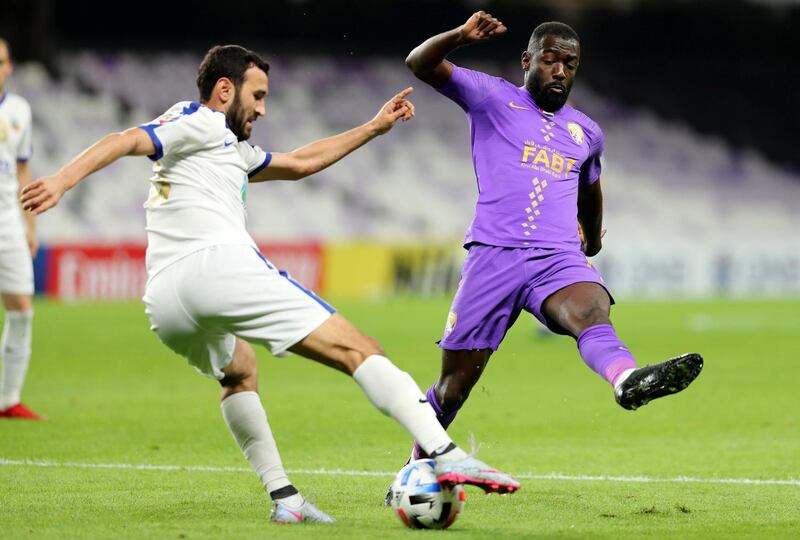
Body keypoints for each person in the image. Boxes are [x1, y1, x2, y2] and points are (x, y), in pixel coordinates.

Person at [21, 45, 520, 524]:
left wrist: (373, 127)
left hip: (166, 300)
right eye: (256, 96)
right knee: (360, 348)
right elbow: (124, 140)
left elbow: (301, 163)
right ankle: (446, 451)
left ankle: (285, 499)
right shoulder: (197, 121)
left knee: (238, 370)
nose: (261, 108)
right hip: (216, 266)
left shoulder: (230, 149)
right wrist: (61, 181)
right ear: (223, 90)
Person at [399, 12, 704, 470]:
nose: (560, 71)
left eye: (570, 64)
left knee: (591, 310)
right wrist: (461, 36)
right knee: (452, 389)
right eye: (550, 60)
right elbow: (419, 63)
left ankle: (625, 379)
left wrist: (593, 243)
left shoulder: (586, 132)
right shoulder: (491, 97)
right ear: (528, 61)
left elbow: (591, 185)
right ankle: (414, 469)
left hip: (556, 257)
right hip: (494, 257)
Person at [0, 38, 41, 420]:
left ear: (9, 66)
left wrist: (30, 223)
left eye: (0, 62)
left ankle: (8, 400)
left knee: (21, 310)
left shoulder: (19, 110)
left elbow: (23, 167)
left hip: (9, 222)